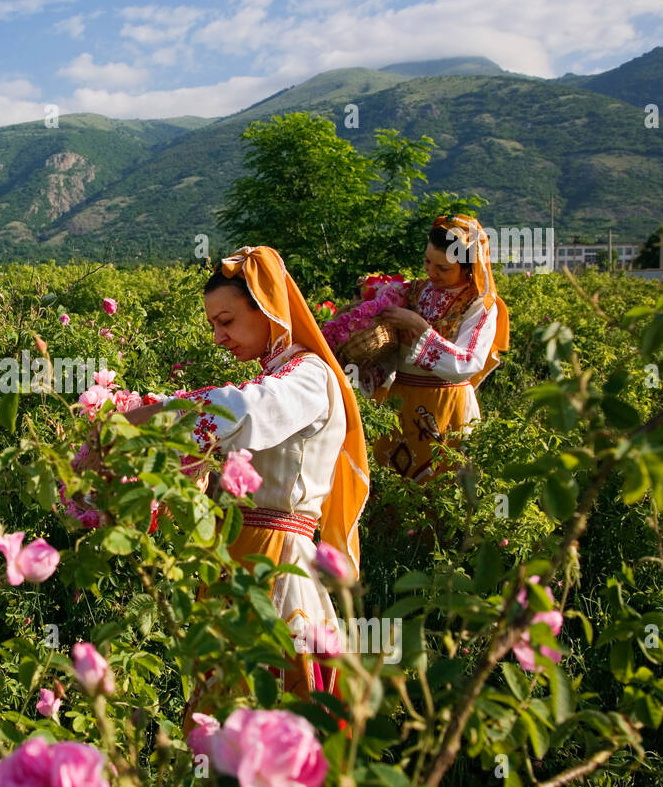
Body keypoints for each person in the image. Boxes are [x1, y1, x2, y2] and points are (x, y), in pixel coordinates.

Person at [121, 246, 369, 702]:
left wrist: (147, 418)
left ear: (269, 309)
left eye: (227, 321)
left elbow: (244, 411)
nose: (219, 337)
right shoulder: (277, 376)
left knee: (267, 696)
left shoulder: (309, 376)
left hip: (276, 559)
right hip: (238, 554)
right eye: (214, 324)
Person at [368, 215, 510, 482]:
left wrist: (420, 328)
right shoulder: (412, 292)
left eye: (443, 269)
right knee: (392, 489)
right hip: (400, 403)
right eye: (427, 262)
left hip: (448, 406)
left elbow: (467, 363)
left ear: (468, 268)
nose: (432, 273)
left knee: (441, 488)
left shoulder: (480, 305)